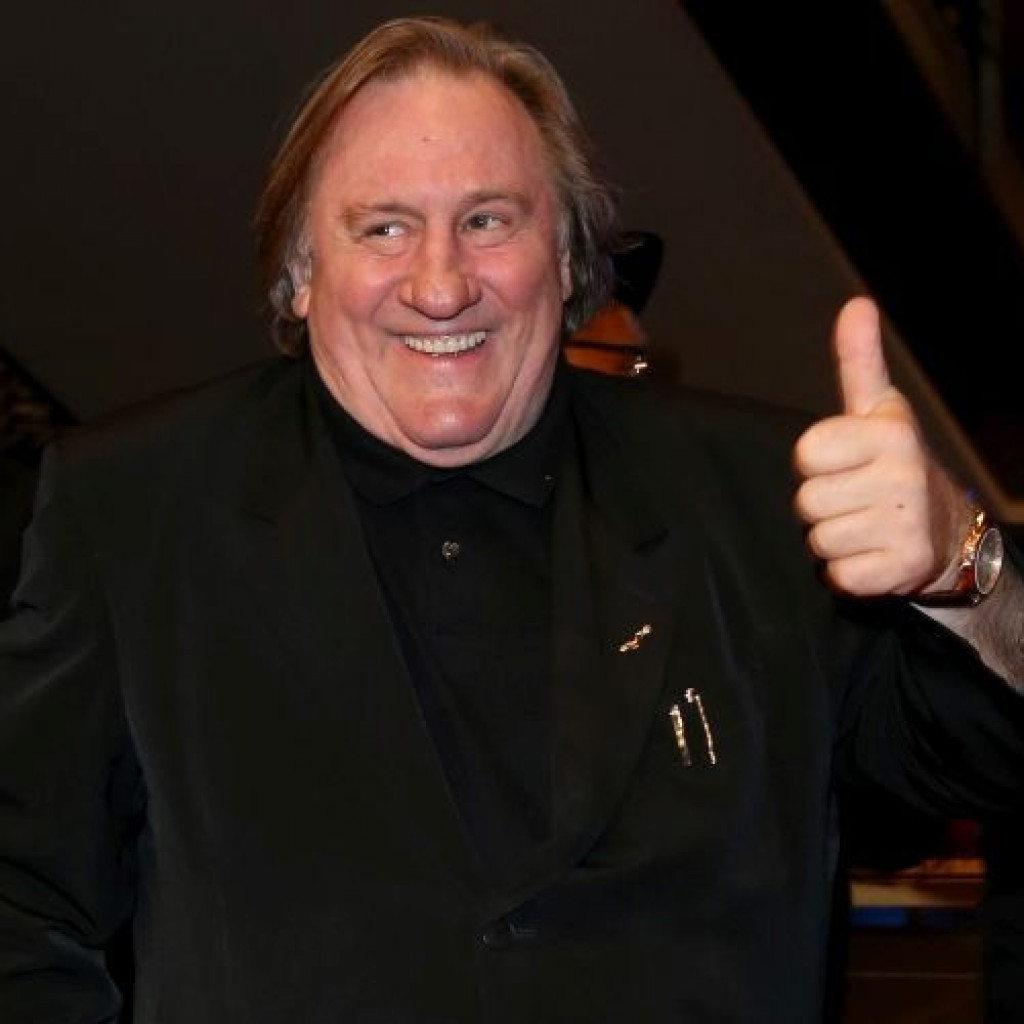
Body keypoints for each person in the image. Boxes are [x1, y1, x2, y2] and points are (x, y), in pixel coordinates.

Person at [0, 16, 1022, 1023]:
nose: (440, 285)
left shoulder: (764, 497)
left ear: (570, 258)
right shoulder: (131, 511)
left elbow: (990, 757)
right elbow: (20, 909)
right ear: (301, 273)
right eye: (384, 227)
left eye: (488, 220)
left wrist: (964, 568)